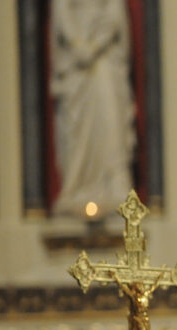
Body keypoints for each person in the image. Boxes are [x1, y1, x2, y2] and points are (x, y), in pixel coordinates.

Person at [50, 0, 136, 217]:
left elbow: (114, 15)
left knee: (111, 121)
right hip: (75, 63)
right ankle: (76, 186)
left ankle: (115, 183)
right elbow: (62, 12)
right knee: (76, 130)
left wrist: (95, 45)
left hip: (103, 57)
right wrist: (78, 45)